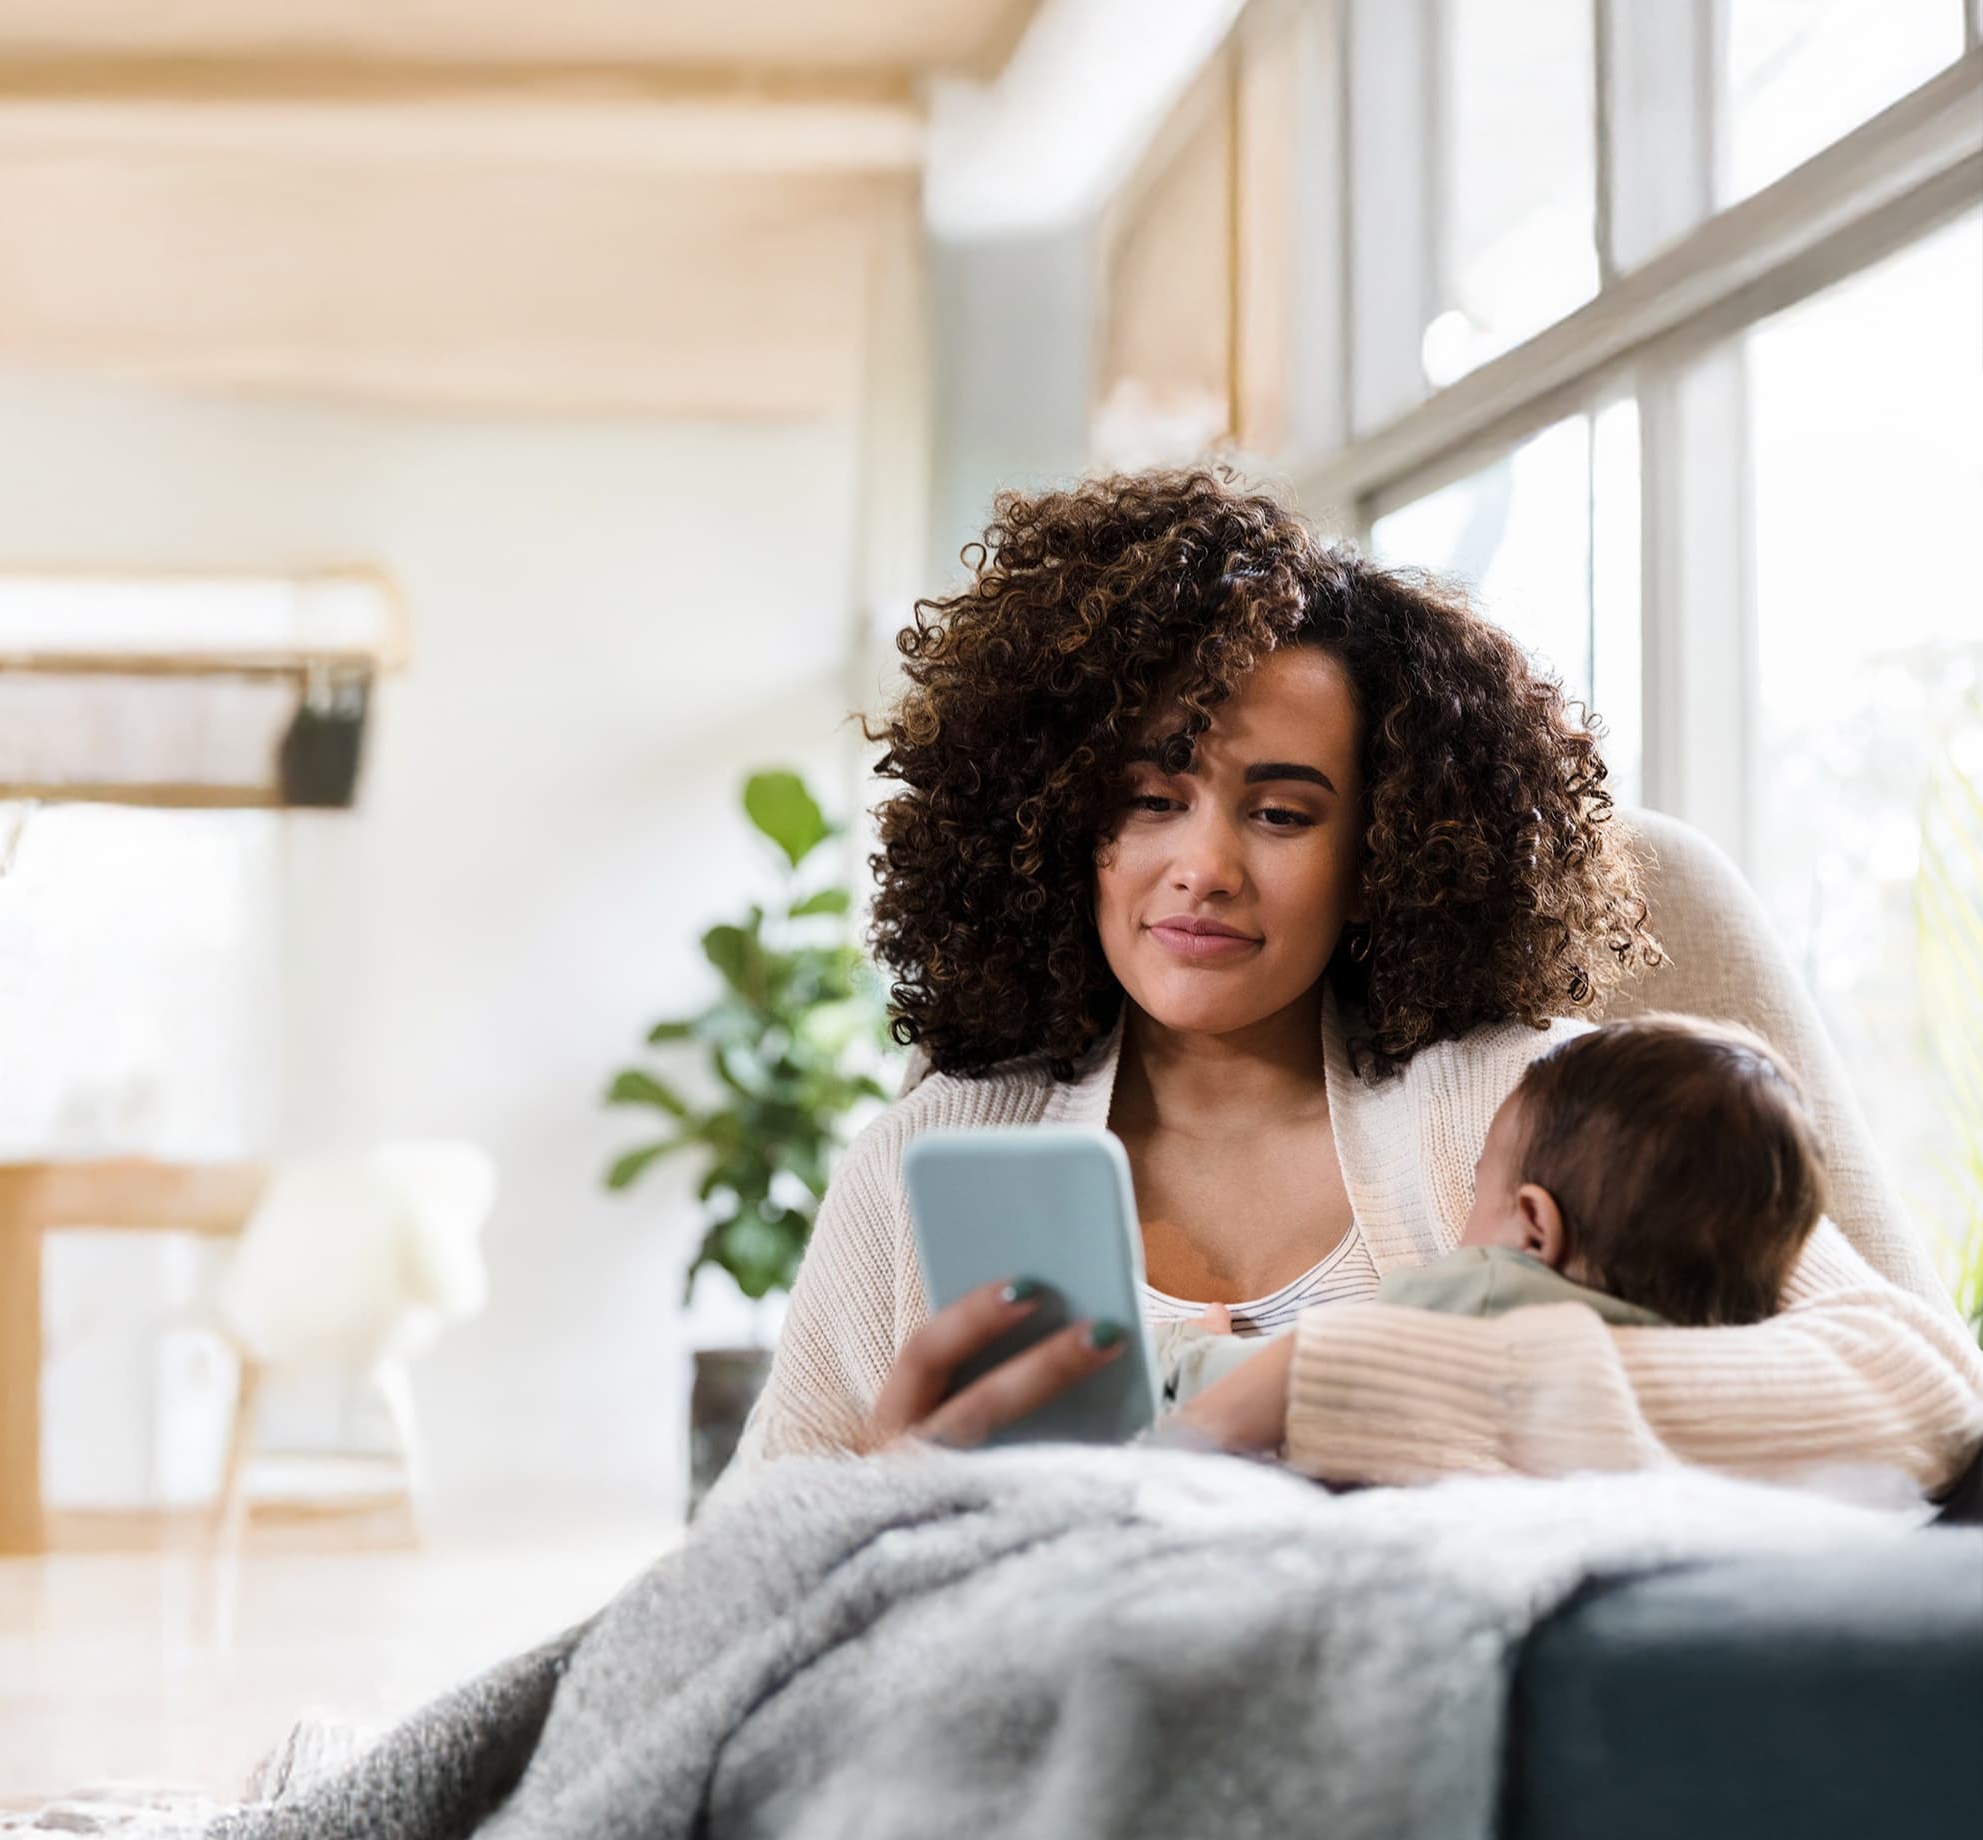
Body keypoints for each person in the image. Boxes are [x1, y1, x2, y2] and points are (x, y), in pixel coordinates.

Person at [740, 468, 1982, 1501]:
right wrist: (884, 1493)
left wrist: (1360, 1390)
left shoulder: (1531, 1110)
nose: (1206, 868)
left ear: (1381, 852)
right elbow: (732, 1590)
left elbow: (1921, 1391)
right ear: (1061, 821)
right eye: (1151, 799)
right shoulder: (921, 1166)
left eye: (1282, 813)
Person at [1155, 1015, 1825, 1408]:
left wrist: (1193, 1353)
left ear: (1534, 1228)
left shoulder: (1484, 1296)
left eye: (1480, 1192)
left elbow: (1308, 1376)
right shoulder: (1713, 1352)